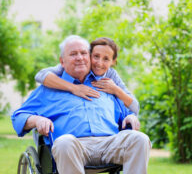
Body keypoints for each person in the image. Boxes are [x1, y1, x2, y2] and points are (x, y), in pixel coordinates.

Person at [11, 35, 151, 174]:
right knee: (64, 142)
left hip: (110, 143)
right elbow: (18, 116)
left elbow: (128, 111)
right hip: (74, 146)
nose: (79, 58)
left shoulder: (107, 84)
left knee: (140, 139)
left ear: (89, 57)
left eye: (83, 53)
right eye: (73, 54)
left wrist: (131, 116)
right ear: (62, 61)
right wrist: (37, 120)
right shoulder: (48, 89)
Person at [35, 37, 139, 114]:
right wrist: (74, 88)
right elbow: (40, 75)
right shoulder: (76, 67)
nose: (99, 63)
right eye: (96, 56)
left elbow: (135, 107)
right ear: (89, 55)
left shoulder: (111, 75)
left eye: (106, 59)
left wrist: (115, 89)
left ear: (113, 61)